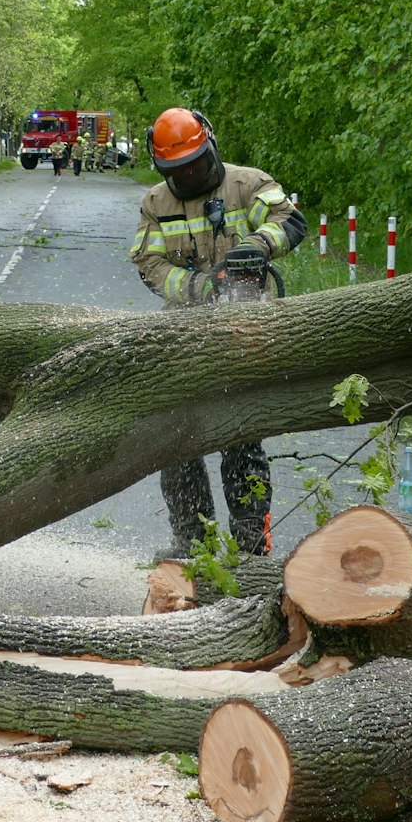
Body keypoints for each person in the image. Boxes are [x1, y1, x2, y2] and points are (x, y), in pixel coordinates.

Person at [129, 107, 306, 558]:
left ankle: (251, 547)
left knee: (241, 440)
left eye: (197, 164)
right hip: (183, 335)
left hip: (246, 332)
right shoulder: (156, 204)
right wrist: (196, 286)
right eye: (180, 171)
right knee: (176, 442)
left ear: (211, 147)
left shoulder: (249, 185)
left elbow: (290, 221)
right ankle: (193, 544)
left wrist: (257, 245)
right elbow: (149, 264)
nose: (190, 174)